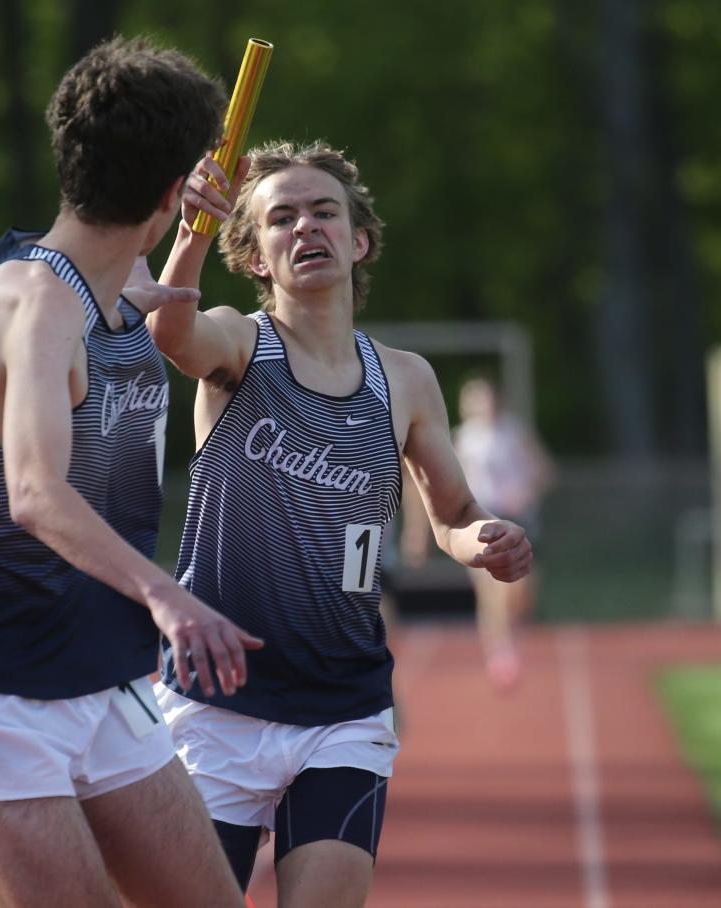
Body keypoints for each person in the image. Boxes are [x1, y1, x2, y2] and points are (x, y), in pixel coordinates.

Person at [0, 36, 263, 908]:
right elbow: (34, 494)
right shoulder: (39, 305)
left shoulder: (102, 281)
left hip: (94, 670)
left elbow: (144, 304)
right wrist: (168, 596)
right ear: (167, 190)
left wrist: (182, 241)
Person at [143, 140, 533, 906]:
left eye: (324, 211)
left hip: (343, 706)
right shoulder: (241, 342)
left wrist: (482, 539)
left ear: (357, 240)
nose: (305, 227)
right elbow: (171, 337)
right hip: (218, 700)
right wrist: (188, 236)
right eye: (281, 218)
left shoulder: (406, 379)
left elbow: (453, 511)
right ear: (255, 256)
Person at [452, 375, 554, 690]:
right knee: (487, 590)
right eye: (477, 399)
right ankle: (500, 653)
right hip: (481, 518)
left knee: (520, 591)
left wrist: (525, 491)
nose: (485, 405)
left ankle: (510, 633)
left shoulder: (513, 432)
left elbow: (544, 470)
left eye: (488, 398)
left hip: (516, 515)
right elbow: (450, 481)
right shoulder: (463, 439)